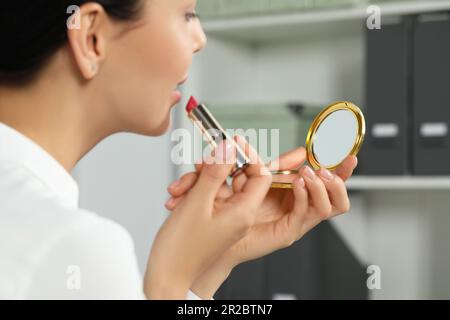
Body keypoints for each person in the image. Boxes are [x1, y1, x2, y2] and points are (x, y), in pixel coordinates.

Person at [0, 0, 357, 299]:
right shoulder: (74, 247)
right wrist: (168, 279)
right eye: (186, 13)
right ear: (92, 37)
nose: (200, 39)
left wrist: (213, 260)